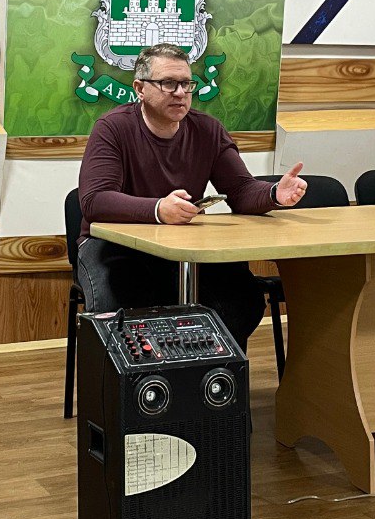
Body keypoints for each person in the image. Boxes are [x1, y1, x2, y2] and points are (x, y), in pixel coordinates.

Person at [77, 43, 307, 349]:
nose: (180, 93)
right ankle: (150, 375)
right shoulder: (112, 128)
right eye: (168, 83)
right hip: (115, 246)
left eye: (186, 84)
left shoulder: (208, 130)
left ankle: (203, 370)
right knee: (123, 311)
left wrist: (274, 193)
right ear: (140, 89)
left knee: (241, 299)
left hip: (183, 247)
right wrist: (158, 209)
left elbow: (240, 190)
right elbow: (95, 200)